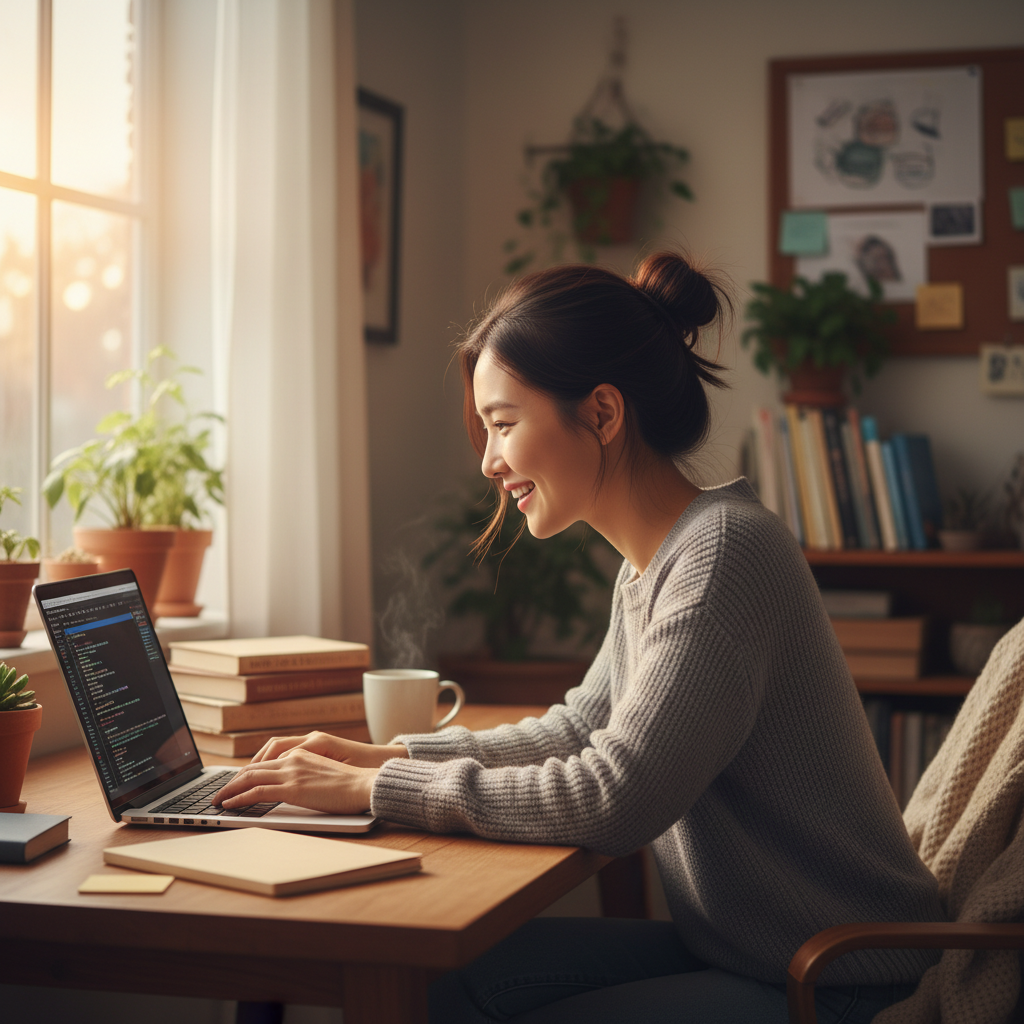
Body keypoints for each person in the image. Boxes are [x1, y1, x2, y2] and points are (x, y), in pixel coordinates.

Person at [213, 253, 944, 1023]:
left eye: (503, 424)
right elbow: (579, 730)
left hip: (836, 982)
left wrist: (377, 791)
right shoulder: (656, 564)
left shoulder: (723, 553)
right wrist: (386, 757)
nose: (489, 461)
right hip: (750, 951)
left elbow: (612, 796)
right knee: (442, 985)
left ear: (601, 414)